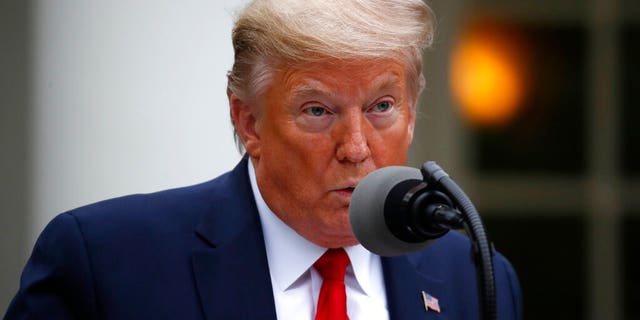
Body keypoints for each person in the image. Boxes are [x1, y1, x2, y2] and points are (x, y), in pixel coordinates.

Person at [5, 0, 522, 319]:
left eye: (382, 106)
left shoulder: (473, 277)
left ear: (412, 114)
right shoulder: (106, 262)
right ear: (249, 123)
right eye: (318, 110)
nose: (357, 147)